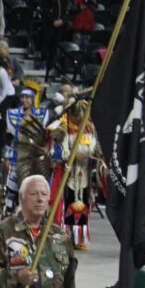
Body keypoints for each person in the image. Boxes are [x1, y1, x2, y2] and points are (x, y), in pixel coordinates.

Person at [47, 97, 101, 250]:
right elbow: (55, 151)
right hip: (66, 173)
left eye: (83, 116)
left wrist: (91, 155)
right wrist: (67, 154)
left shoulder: (90, 130)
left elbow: (94, 149)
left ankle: (78, 237)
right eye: (77, 116)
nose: (80, 119)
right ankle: (64, 235)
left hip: (82, 173)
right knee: (65, 205)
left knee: (80, 203)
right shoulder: (62, 127)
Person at [2, 88, 48, 216]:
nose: (25, 100)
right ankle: (9, 215)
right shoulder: (13, 114)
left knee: (33, 189)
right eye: (22, 97)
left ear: (33, 99)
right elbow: (9, 139)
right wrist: (7, 157)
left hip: (33, 158)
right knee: (12, 189)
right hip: (17, 156)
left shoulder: (41, 114)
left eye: (28, 97)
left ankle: (33, 215)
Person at [39, 0, 69, 74]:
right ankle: (43, 61)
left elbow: (65, 7)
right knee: (46, 42)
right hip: (49, 22)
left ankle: (52, 63)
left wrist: (63, 19)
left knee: (55, 44)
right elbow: (45, 7)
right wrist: (52, 20)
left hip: (60, 22)